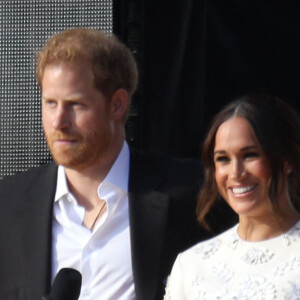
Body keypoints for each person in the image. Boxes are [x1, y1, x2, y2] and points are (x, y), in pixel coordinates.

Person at [0, 28, 217, 300]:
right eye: (50, 103)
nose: (58, 122)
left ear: (118, 105)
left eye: (75, 105)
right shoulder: (9, 202)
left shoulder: (188, 191)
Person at [164, 94, 300, 299]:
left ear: (287, 160)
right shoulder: (192, 265)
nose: (236, 173)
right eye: (223, 159)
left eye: (250, 155)